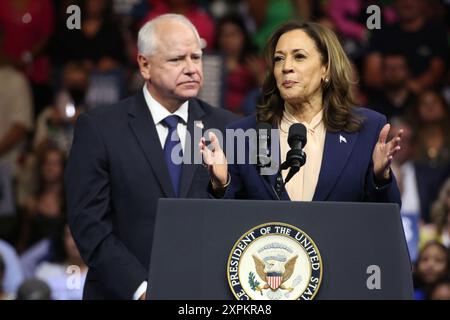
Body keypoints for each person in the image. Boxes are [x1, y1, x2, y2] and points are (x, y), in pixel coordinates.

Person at [65, 14, 237, 299]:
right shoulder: (99, 129)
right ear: (144, 64)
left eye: (196, 57)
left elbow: (241, 215)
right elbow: (88, 223)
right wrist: (141, 289)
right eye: (177, 60)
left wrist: (223, 184)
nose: (192, 68)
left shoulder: (229, 128)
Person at [201, 21, 402, 205]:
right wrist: (221, 185)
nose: (286, 67)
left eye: (299, 57)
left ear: (326, 68)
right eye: (279, 59)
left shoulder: (366, 129)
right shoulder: (244, 134)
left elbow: (386, 217)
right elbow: (224, 223)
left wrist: (380, 178)